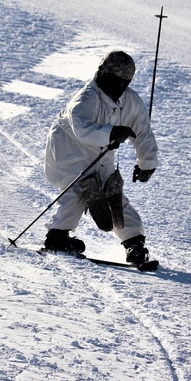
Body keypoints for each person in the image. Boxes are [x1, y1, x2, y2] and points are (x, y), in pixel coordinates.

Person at [41, 50, 158, 265]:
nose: (119, 87)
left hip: (102, 153)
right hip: (69, 150)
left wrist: (146, 163)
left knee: (112, 190)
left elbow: (142, 131)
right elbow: (81, 128)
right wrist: (112, 133)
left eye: (124, 82)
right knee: (79, 189)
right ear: (102, 73)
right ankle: (57, 237)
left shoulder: (131, 101)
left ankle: (134, 242)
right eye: (114, 80)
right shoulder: (87, 98)